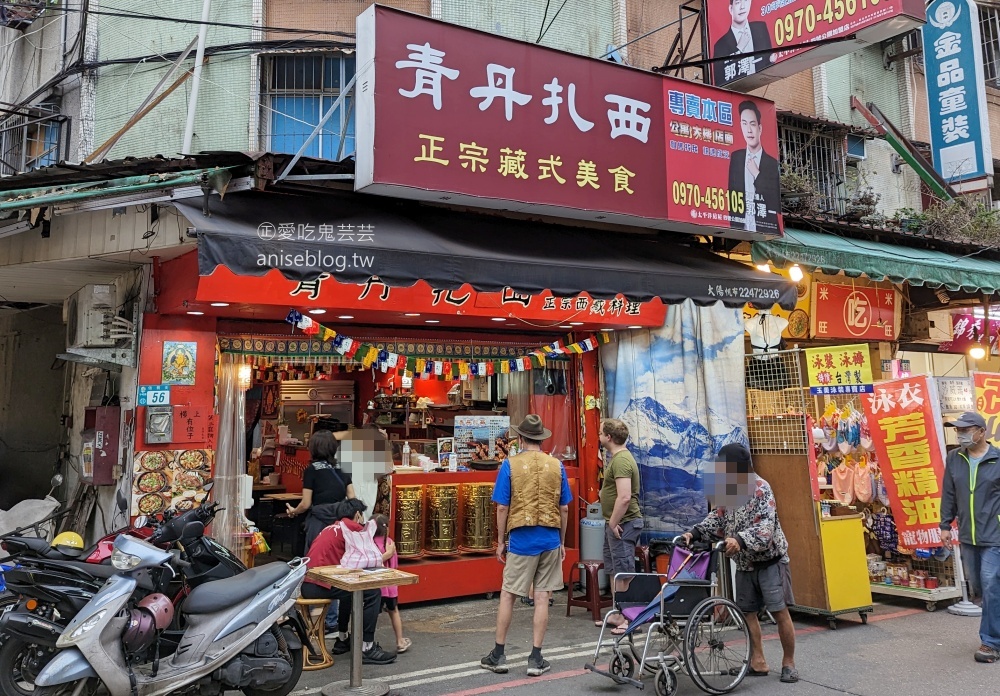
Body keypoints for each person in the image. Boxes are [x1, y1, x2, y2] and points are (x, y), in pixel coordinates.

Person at [681, 443, 798, 683]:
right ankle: (758, 661)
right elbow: (718, 517)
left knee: (779, 611)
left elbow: (765, 529)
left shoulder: (761, 489)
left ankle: (789, 663)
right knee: (747, 613)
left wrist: (740, 540)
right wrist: (695, 532)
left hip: (770, 561)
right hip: (744, 562)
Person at [481, 414, 572, 678]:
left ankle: (498, 655)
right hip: (550, 539)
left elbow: (502, 507)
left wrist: (501, 541)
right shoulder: (557, 466)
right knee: (542, 596)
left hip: (521, 540)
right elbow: (564, 509)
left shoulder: (510, 465)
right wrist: (562, 541)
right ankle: (536, 658)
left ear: (521, 438)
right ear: (541, 439)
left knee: (508, 594)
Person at [302, 498, 396, 665]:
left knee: (350, 591)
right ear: (358, 514)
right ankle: (367, 647)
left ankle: (342, 638)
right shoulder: (352, 528)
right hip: (319, 583)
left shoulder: (332, 527)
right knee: (373, 593)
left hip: (310, 582)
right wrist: (387, 555)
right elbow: (369, 559)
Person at [940, 411, 1000, 663]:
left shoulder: (997, 459)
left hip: (995, 535)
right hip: (967, 535)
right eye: (957, 430)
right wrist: (944, 524)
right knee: (980, 589)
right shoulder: (954, 458)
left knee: (990, 584)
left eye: (965, 430)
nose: (960, 434)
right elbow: (949, 493)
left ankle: (990, 643)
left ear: (981, 432)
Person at [285, 429, 356, 637]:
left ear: (314, 448)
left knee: (314, 569)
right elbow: (352, 498)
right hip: (338, 527)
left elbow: (306, 503)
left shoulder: (312, 470)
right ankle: (332, 622)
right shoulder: (342, 468)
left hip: (318, 525)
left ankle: (314, 618)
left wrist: (293, 511)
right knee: (336, 569)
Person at [598, 418, 643, 633]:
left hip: (623, 523)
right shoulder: (616, 459)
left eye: (600, 433)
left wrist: (614, 522)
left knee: (624, 571)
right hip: (615, 523)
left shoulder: (622, 461)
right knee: (615, 570)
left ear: (609, 437)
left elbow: (624, 497)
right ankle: (618, 614)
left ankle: (629, 619)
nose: (598, 437)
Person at [727, 100, 779, 235]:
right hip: (739, 230)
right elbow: (732, 197)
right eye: (744, 124)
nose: (749, 130)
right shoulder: (736, 158)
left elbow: (775, 202)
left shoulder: (772, 163)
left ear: (760, 128)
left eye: (752, 124)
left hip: (766, 229)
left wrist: (757, 174)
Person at [372, 514, 412, 654]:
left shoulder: (369, 544)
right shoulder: (390, 543)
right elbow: (394, 565)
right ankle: (400, 641)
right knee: (393, 611)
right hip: (390, 586)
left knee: (372, 615)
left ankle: (367, 642)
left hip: (375, 586)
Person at [711, 0, 772, 85]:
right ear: (731, 8)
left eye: (746, 1)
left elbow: (769, 61)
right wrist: (739, 48)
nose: (742, 7)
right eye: (738, 2)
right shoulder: (720, 45)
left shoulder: (760, 28)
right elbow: (719, 82)